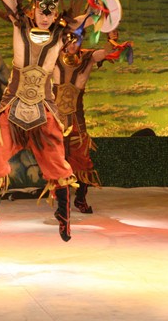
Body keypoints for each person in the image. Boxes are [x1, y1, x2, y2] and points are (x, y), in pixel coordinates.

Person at [0, 0, 89, 242]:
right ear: (34, 8)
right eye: (42, 9)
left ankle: (63, 216)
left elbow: (91, 19)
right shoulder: (20, 24)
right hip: (13, 106)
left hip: (44, 109)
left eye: (52, 11)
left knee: (58, 164)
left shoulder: (61, 33)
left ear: (56, 12)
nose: (46, 15)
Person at [54, 27, 131, 213]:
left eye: (77, 41)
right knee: (55, 160)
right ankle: (61, 203)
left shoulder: (88, 57)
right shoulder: (53, 56)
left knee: (83, 160)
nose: (73, 45)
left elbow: (107, 52)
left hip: (76, 120)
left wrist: (111, 38)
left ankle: (80, 198)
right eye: (69, 40)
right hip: (56, 119)